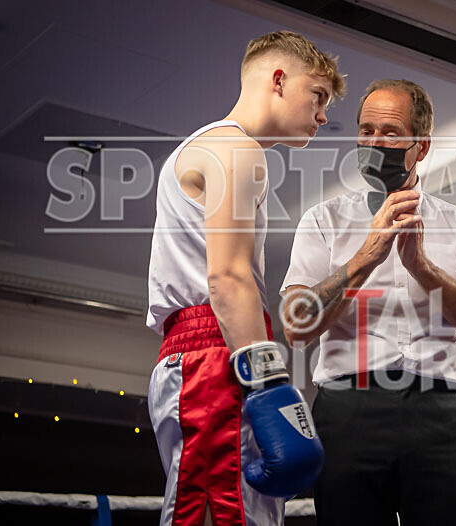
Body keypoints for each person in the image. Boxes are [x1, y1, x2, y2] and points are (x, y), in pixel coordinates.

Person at [280, 79, 456, 526]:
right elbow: (295, 326)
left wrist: (421, 267)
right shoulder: (323, 219)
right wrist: (367, 256)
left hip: (439, 409)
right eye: (366, 131)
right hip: (347, 407)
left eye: (390, 133)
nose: (374, 143)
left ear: (421, 147)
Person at [145, 31, 345, 526]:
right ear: (278, 80)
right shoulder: (236, 149)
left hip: (211, 355)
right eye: (317, 96)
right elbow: (228, 278)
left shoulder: (212, 147)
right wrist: (271, 385)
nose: (323, 116)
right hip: (216, 358)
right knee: (219, 514)